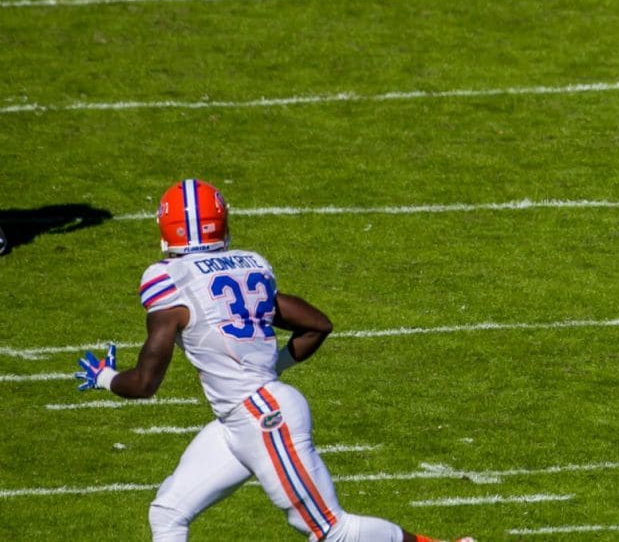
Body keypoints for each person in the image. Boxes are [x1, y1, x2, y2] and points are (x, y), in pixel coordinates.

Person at [74, 179, 473, 542]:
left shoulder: (167, 279)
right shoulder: (250, 264)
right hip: (240, 417)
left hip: (262, 415)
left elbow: (145, 383)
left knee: (330, 530)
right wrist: (271, 369)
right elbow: (317, 325)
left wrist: (106, 377)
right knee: (168, 512)